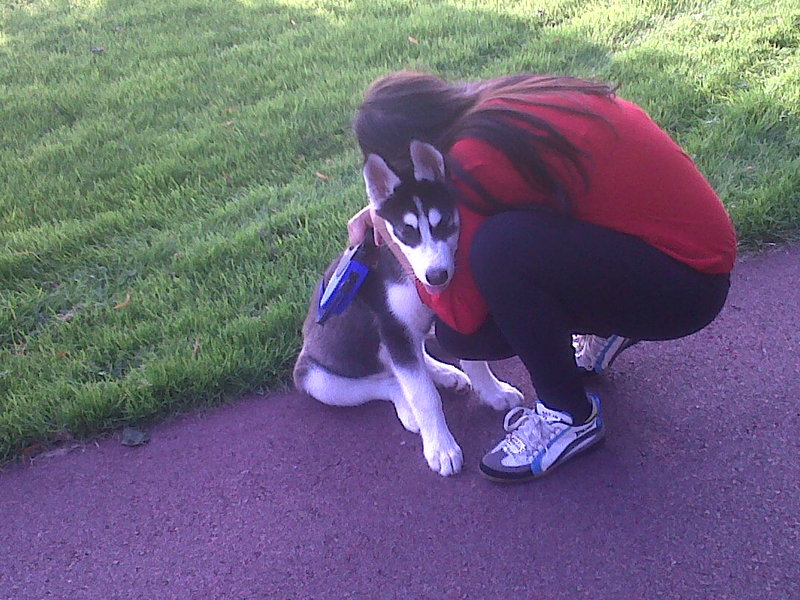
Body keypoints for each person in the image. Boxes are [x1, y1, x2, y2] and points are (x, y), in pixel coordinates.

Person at [347, 71, 736, 482]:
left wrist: (392, 233)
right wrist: (390, 206)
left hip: (684, 291)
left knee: (488, 278)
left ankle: (567, 416)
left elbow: (461, 318)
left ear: (413, 151)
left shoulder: (475, 158)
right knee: (512, 239)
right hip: (691, 258)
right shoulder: (497, 101)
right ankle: (609, 326)